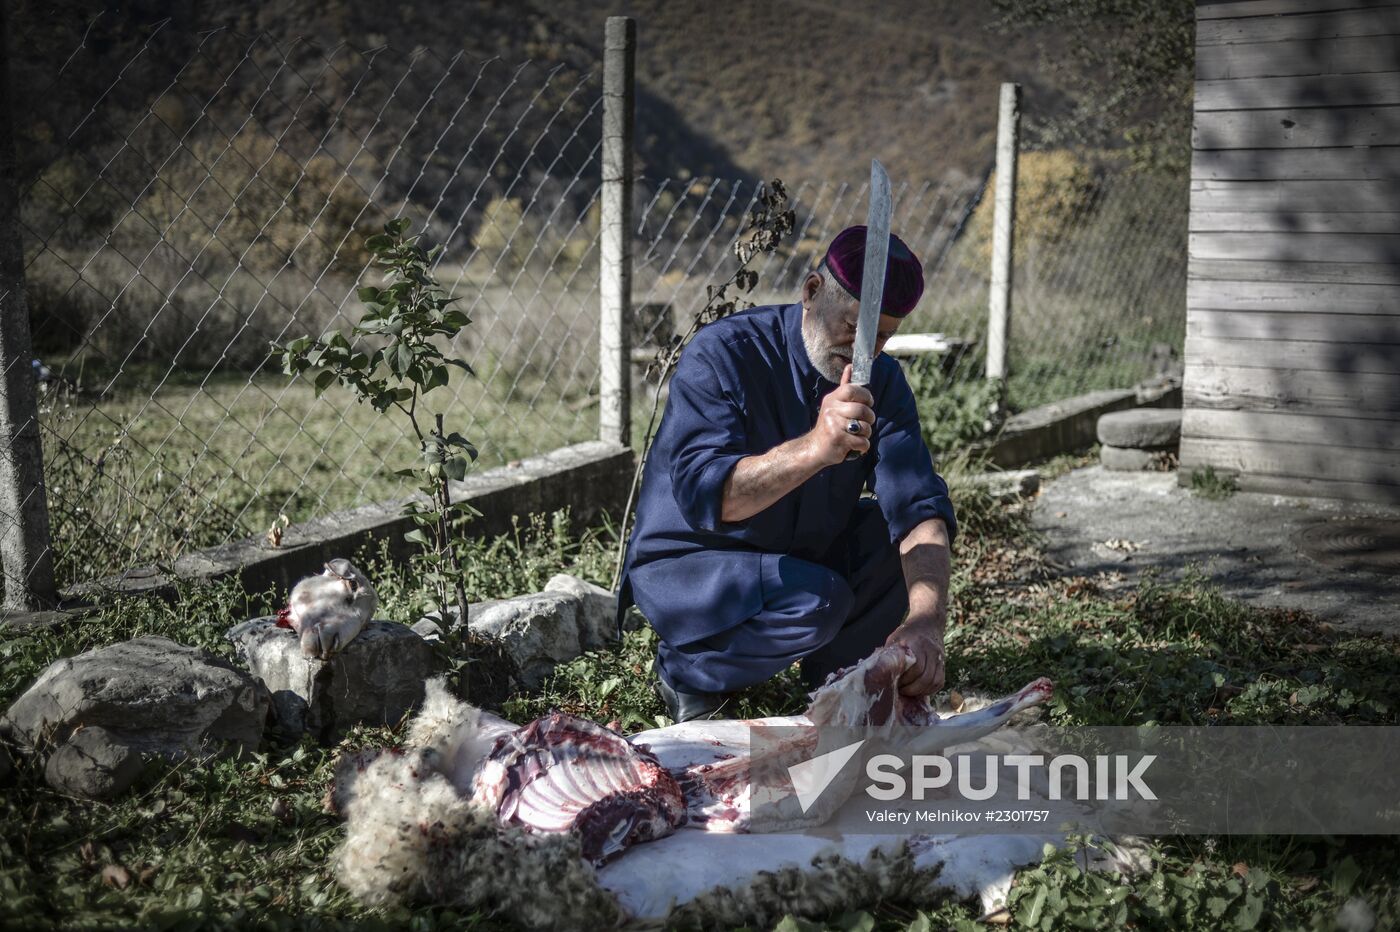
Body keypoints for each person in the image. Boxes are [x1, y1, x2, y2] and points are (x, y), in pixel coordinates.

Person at [617, 225, 958, 722]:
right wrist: (818, 447)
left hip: (794, 553)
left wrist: (927, 621)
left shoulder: (882, 380)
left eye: (881, 336)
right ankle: (689, 671)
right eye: (852, 326)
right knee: (817, 600)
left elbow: (917, 504)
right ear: (812, 291)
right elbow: (714, 498)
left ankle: (836, 682)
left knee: (896, 544)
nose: (865, 349)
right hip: (696, 561)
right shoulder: (724, 354)